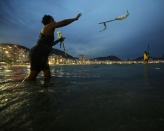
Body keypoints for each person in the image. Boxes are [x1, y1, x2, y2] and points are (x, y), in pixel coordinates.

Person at [25, 13, 82, 81]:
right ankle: (20, 88)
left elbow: (50, 44)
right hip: (38, 54)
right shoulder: (48, 26)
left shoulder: (48, 30)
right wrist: (75, 19)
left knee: (47, 77)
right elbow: (63, 22)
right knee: (31, 77)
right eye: (53, 19)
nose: (55, 21)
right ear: (50, 21)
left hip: (43, 55)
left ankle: (44, 91)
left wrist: (59, 40)